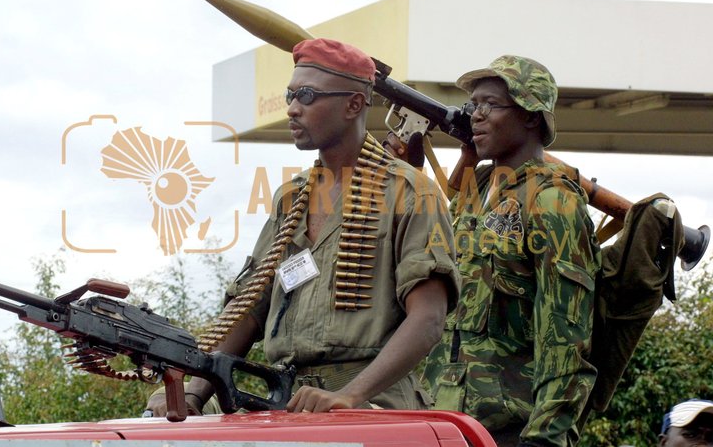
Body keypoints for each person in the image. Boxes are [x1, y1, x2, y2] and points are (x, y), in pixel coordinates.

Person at [147, 38, 459, 415]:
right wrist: (194, 391)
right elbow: (249, 309)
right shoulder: (290, 198)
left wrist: (350, 396)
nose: (293, 109)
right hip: (285, 399)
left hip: (375, 405)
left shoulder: (409, 193)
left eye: (307, 96)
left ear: (354, 104)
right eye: (290, 95)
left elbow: (428, 318)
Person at [388, 55, 601, 446]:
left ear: (532, 117)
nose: (476, 116)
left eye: (491, 105)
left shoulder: (553, 201)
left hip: (506, 430)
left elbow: (565, 335)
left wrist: (545, 438)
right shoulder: (473, 191)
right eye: (473, 106)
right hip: (438, 420)